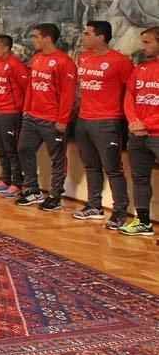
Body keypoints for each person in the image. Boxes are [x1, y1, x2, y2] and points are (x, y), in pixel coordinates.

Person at [74, 21, 133, 226]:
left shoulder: (120, 61)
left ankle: (119, 211)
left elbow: (131, 91)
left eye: (87, 33)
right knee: (91, 166)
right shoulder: (84, 57)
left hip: (108, 121)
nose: (84, 36)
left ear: (101, 37)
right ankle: (94, 206)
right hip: (83, 119)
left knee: (113, 168)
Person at [16, 23, 77, 210]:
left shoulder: (64, 62)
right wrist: (26, 109)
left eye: (36, 37)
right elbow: (31, 87)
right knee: (24, 149)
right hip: (31, 117)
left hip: (52, 120)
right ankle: (33, 189)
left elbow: (68, 94)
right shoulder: (36, 58)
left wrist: (62, 120)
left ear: (47, 38)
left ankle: (55, 195)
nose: (33, 40)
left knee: (57, 158)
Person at [121, 26, 159, 236]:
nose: (143, 46)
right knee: (140, 178)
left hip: (155, 133)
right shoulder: (141, 68)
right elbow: (129, 96)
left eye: (147, 42)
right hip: (137, 133)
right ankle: (143, 221)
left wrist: (147, 123)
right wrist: (134, 120)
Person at [0, 34, 29, 197]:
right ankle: (5, 179)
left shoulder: (15, 64)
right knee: (1, 147)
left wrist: (20, 109)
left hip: (11, 113)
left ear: (6, 48)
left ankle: (17, 183)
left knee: (12, 149)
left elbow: (25, 88)